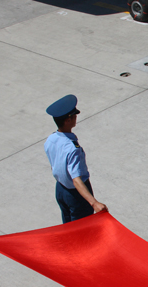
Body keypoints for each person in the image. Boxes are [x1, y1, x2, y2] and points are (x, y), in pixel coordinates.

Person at [45, 95, 108, 223]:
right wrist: (94, 203)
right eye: (74, 116)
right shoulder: (73, 149)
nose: (76, 118)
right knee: (83, 231)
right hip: (76, 195)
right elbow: (76, 180)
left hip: (61, 190)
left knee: (68, 227)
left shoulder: (50, 140)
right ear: (68, 120)